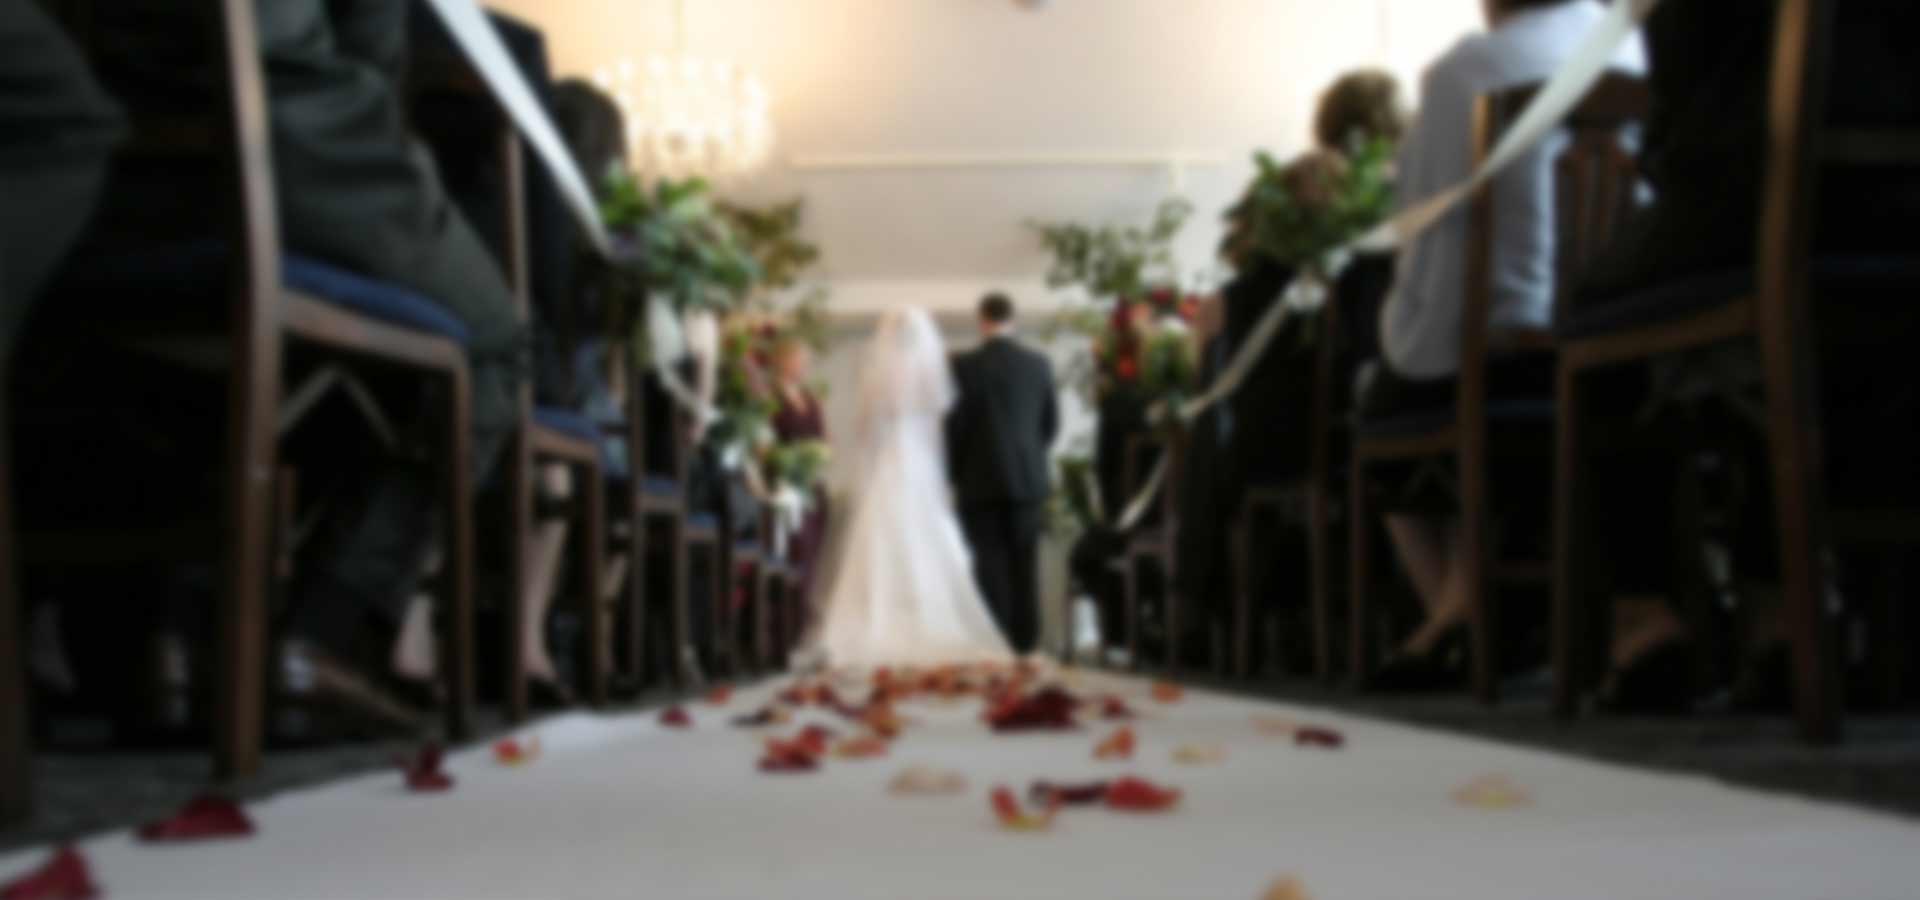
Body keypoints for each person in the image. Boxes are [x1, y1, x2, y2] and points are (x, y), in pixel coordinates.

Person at [1356, 0, 1646, 688]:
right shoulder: (1633, 47)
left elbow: (1432, 240)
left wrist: (1404, 329)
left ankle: (1459, 612)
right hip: (1615, 328)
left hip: (1508, 348)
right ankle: (1466, 610)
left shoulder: (1469, 69)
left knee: (1383, 397)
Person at [796, 309, 1013, 669]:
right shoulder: (931, 372)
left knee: (880, 537)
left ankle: (871, 620)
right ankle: (932, 620)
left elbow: (865, 427)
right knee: (928, 538)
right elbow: (941, 429)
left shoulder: (877, 373)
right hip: (922, 463)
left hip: (890, 461)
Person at [947, 294, 1061, 655]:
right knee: (1026, 562)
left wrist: (955, 472)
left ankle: (997, 641)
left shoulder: (964, 366)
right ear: (1014, 319)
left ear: (982, 320)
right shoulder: (1039, 364)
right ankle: (1027, 642)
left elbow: (956, 428)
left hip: (979, 479)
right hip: (1028, 480)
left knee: (989, 563)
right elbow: (1050, 425)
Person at [769, 338, 830, 620]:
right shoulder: (771, 396)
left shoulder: (811, 398)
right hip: (783, 480)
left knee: (814, 542)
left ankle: (805, 604)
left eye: (806, 361)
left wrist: (818, 458)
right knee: (797, 541)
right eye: (798, 360)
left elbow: (823, 438)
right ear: (783, 361)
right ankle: (791, 612)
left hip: (810, 482)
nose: (803, 366)